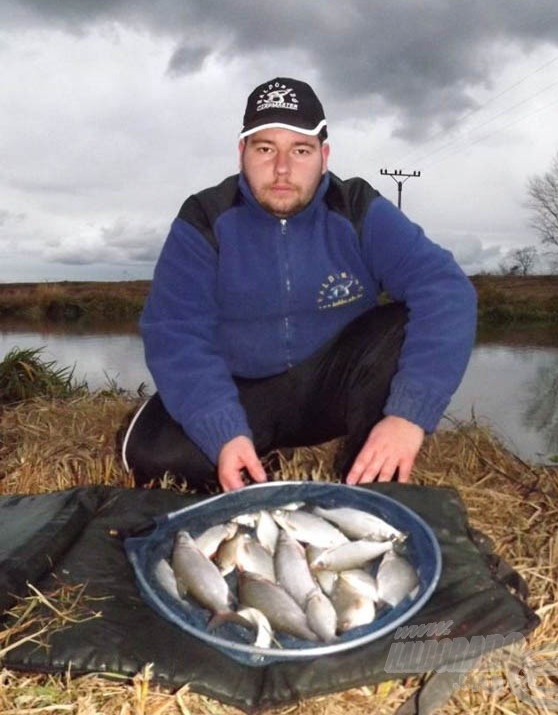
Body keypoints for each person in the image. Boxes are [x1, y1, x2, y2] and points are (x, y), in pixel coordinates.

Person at [123, 76, 477, 492]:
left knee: (402, 322)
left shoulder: (358, 209)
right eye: (265, 148)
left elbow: (447, 289)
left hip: (329, 387)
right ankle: (252, 448)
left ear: (324, 156)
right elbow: (175, 331)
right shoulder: (204, 219)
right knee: (155, 457)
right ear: (242, 152)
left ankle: (365, 476)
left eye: (301, 150)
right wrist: (222, 433)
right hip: (241, 391)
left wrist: (408, 415)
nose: (282, 169)